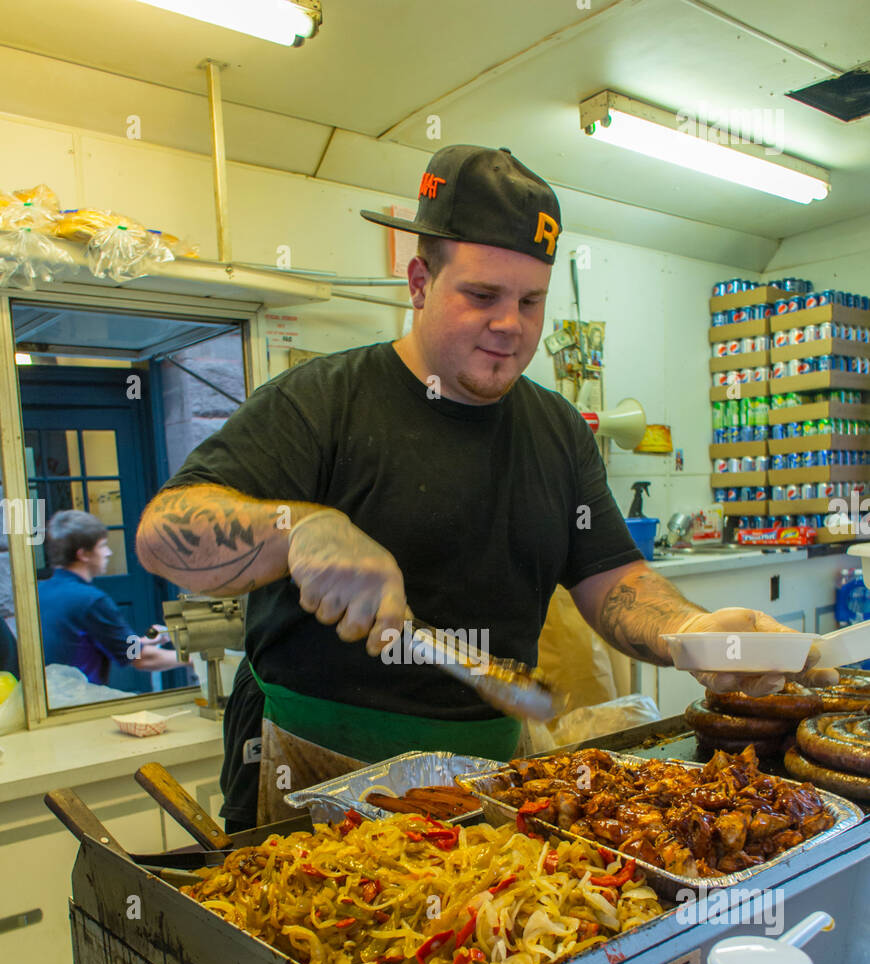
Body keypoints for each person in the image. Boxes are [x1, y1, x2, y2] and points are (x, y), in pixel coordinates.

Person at [135, 144, 833, 833]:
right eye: (482, 295)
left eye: (532, 301)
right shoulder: (322, 402)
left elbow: (613, 579)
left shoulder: (556, 430)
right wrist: (296, 530)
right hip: (313, 774)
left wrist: (691, 632)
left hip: (491, 784)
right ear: (418, 281)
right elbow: (163, 534)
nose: (511, 324)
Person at [38, 510, 188, 686]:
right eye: (102, 546)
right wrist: (194, 657)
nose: (108, 553)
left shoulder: (41, 591)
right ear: (83, 554)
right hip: (79, 704)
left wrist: (143, 642)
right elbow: (141, 659)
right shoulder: (91, 601)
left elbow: (76, 645)